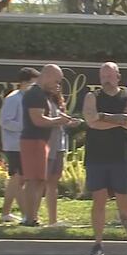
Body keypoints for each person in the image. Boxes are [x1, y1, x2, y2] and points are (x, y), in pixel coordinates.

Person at [83, 62, 127, 255]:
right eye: (103, 76)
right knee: (99, 201)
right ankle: (97, 245)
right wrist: (119, 122)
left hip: (120, 157)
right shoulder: (92, 96)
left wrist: (103, 117)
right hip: (96, 157)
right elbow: (92, 122)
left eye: (110, 76)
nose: (106, 80)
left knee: (124, 202)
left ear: (118, 76)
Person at [19, 64, 75, 227]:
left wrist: (62, 120)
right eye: (56, 80)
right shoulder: (34, 94)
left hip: (42, 141)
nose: (57, 84)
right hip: (33, 140)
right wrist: (60, 121)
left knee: (39, 180)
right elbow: (38, 120)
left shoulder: (43, 94)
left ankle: (32, 218)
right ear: (47, 76)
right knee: (33, 180)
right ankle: (29, 219)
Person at [0, 67, 39, 223]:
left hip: (24, 143)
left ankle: (5, 213)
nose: (35, 87)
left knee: (16, 179)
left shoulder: (28, 98)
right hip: (15, 145)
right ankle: (26, 215)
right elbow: (5, 121)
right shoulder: (13, 98)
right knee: (19, 178)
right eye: (33, 83)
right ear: (23, 82)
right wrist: (25, 127)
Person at [45, 85, 79, 227]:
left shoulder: (57, 103)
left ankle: (53, 220)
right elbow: (42, 121)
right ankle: (30, 217)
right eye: (55, 84)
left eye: (59, 85)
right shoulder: (42, 101)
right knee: (40, 182)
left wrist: (70, 123)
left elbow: (60, 122)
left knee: (53, 182)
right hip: (47, 145)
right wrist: (61, 120)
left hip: (59, 145)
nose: (57, 87)